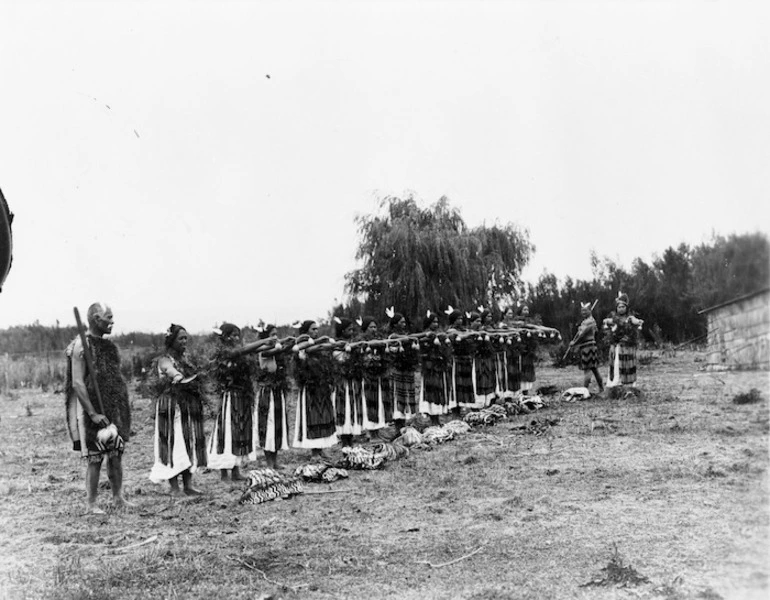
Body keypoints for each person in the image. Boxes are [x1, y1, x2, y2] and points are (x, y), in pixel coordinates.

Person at [65, 302, 132, 513]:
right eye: (108, 317)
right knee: (95, 458)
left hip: (112, 407)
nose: (112, 322)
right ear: (96, 319)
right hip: (91, 411)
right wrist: (93, 414)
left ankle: (118, 497)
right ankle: (91, 503)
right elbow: (77, 383)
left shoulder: (109, 347)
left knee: (116, 453)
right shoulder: (80, 345)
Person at [208, 323, 276, 481]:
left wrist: (281, 342)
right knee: (228, 432)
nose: (236, 338)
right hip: (231, 397)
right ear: (224, 337)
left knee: (239, 431)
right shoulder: (225, 352)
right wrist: (264, 340)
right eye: (233, 335)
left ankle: (236, 470)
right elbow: (242, 350)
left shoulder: (239, 352)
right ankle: (224, 473)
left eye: (238, 335)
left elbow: (252, 349)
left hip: (242, 396)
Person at [149, 324, 207, 495]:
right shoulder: (164, 359)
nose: (184, 341)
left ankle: (188, 485)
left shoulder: (186, 359)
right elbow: (168, 368)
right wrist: (176, 375)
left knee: (187, 441)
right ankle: (174, 487)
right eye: (181, 338)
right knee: (172, 443)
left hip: (185, 407)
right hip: (169, 408)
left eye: (186, 338)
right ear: (172, 340)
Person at [292, 320, 338, 459]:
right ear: (306, 331)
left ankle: (321, 448)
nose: (316, 332)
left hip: (321, 386)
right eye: (313, 329)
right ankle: (314, 451)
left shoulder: (317, 344)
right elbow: (299, 355)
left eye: (317, 329)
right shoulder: (301, 345)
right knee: (312, 417)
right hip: (310, 387)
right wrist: (318, 341)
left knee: (323, 415)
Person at [254, 324, 294, 469]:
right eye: (272, 334)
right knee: (268, 425)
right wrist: (283, 343)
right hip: (267, 391)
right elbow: (271, 351)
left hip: (277, 390)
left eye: (276, 334)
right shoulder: (263, 351)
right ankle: (269, 462)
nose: (275, 337)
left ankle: (275, 461)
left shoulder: (276, 350)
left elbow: (282, 349)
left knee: (277, 425)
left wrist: (291, 343)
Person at [332, 317, 364, 447]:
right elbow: (341, 360)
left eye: (352, 329)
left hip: (352, 381)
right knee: (344, 408)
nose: (351, 331)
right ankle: (345, 438)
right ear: (342, 330)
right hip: (342, 382)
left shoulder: (353, 343)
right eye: (349, 329)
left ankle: (350, 437)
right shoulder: (336, 345)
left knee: (352, 407)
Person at [387, 309, 420, 432]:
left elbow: (408, 339)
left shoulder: (406, 335)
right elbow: (403, 339)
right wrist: (411, 338)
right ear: (395, 324)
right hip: (397, 370)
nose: (404, 324)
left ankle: (407, 424)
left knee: (407, 396)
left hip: (407, 369)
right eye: (401, 322)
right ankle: (398, 427)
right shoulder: (393, 336)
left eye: (404, 322)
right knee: (398, 398)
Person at [360, 317, 392, 440]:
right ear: (365, 329)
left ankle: (377, 431)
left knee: (379, 402)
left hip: (379, 376)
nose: (373, 329)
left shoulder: (380, 341)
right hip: (368, 377)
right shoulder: (361, 342)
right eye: (371, 327)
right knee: (370, 404)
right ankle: (371, 432)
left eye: (375, 327)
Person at [418, 311, 452, 425]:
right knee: (431, 392)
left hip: (439, 367)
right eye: (433, 322)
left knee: (439, 392)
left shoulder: (440, 335)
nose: (436, 324)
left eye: (437, 322)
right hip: (429, 369)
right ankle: (433, 420)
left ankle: (437, 418)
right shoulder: (424, 336)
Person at [603, 292, 644, 387]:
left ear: (626, 308)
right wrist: (607, 322)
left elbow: (636, 321)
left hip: (628, 345)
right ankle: (615, 383)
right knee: (616, 363)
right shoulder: (615, 318)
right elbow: (607, 322)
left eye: (623, 307)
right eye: (619, 307)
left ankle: (629, 383)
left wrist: (638, 322)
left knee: (627, 363)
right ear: (616, 308)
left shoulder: (630, 318)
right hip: (617, 345)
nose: (621, 309)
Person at [568, 301, 604, 392]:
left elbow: (582, 335)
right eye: (582, 311)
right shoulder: (587, 321)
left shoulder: (589, 321)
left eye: (585, 311)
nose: (583, 312)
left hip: (588, 347)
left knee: (588, 370)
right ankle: (601, 388)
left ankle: (584, 391)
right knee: (594, 369)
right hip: (587, 346)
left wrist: (574, 343)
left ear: (590, 311)